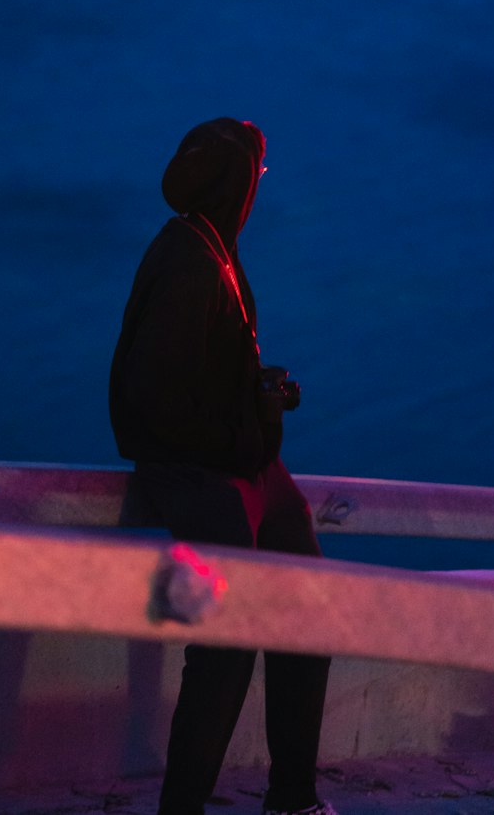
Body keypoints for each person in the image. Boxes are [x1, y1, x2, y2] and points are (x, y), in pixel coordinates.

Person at [109, 117, 334, 815]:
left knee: (305, 614)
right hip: (200, 475)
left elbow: (200, 372)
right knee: (226, 645)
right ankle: (182, 809)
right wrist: (242, 435)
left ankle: (292, 799)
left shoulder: (215, 249)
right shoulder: (187, 261)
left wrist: (260, 394)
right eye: (256, 177)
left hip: (246, 469)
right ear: (237, 183)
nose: (259, 189)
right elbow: (148, 402)